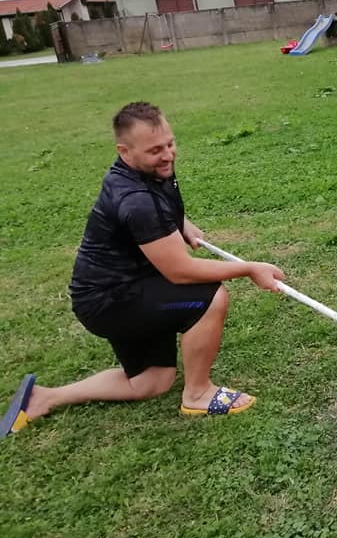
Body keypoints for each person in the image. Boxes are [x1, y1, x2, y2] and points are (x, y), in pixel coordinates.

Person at [1, 102, 285, 437]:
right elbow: (180, 272)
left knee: (151, 382)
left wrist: (179, 221)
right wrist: (248, 268)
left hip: (125, 288)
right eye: (155, 150)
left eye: (170, 143)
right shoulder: (134, 199)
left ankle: (44, 398)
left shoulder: (148, 169)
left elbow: (160, 201)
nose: (167, 155)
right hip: (110, 301)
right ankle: (198, 394)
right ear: (124, 150)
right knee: (209, 298)